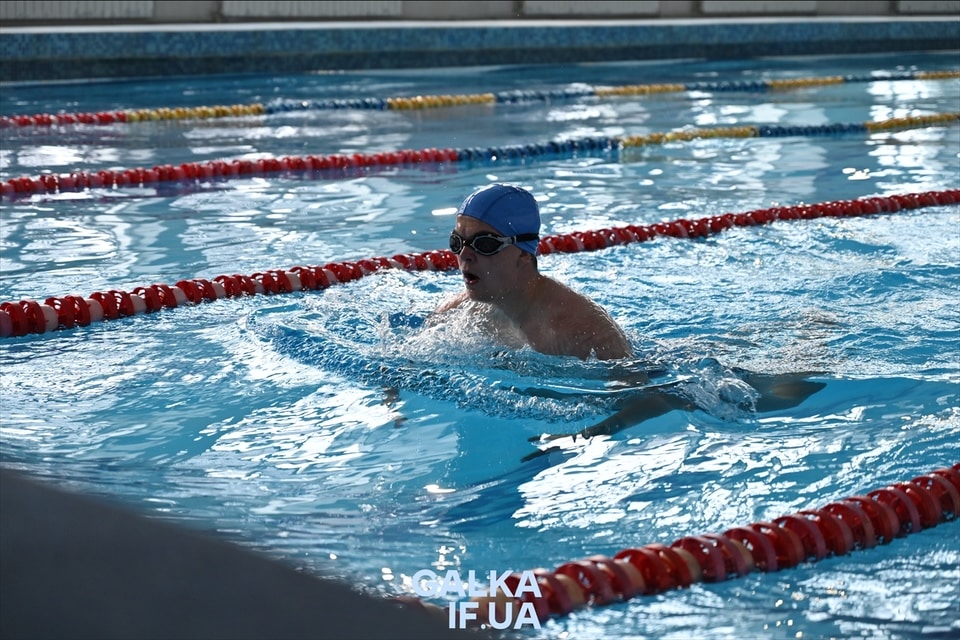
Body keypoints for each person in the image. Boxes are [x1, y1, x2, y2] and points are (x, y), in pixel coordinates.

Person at [432, 183, 633, 361]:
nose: (464, 255)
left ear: (524, 254)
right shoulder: (455, 312)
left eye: (484, 244)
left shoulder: (586, 333)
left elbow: (637, 387)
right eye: (457, 242)